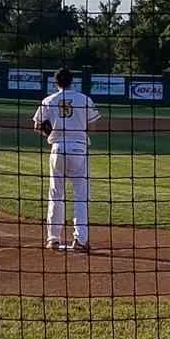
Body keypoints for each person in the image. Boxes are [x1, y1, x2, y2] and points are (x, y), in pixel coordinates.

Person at [33, 67, 101, 252]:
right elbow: (92, 127)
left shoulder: (48, 100)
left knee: (56, 195)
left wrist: (53, 130)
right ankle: (80, 240)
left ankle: (53, 239)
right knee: (81, 197)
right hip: (78, 150)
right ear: (73, 82)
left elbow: (37, 126)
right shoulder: (84, 99)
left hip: (57, 150)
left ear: (56, 83)